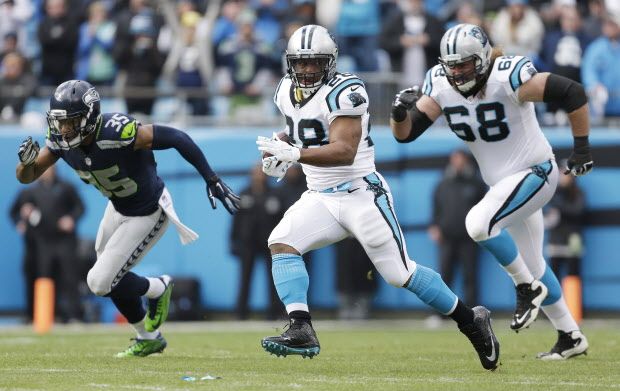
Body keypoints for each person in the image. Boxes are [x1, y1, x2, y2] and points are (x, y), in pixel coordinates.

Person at [256, 24, 499, 371]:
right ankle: (301, 327)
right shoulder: (284, 90)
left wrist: (293, 153)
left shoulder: (347, 90)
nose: (307, 69)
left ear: (331, 62)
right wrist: (278, 147)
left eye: (315, 62)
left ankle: (470, 320)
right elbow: (298, 130)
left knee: (400, 274)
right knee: (281, 242)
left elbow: (343, 150)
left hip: (360, 193)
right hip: (319, 195)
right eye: (301, 62)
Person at [390, 23, 592, 360]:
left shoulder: (507, 77)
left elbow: (572, 91)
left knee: (478, 223)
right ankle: (570, 336)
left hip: (536, 172)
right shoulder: (440, 85)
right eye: (451, 65)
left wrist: (582, 150)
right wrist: (398, 113)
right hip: (507, 186)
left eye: (464, 64)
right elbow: (405, 134)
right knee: (534, 263)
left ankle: (526, 287)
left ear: (483, 57)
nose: (456, 71)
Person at [16, 80, 240, 357]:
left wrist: (211, 178)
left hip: (148, 211)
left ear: (89, 117)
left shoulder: (116, 131)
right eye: (59, 122)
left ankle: (158, 287)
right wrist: (26, 164)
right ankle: (148, 337)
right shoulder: (62, 142)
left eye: (70, 122)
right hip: (118, 208)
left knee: (100, 282)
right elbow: (27, 177)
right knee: (110, 279)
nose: (63, 129)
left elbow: (177, 138)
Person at [428, 149, 486, 306]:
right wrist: (434, 226)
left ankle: (474, 312)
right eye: (455, 159)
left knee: (470, 275)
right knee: (445, 276)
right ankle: (441, 313)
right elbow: (436, 207)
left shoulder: (476, 184)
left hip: (469, 238)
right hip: (446, 237)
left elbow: (485, 209)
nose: (457, 162)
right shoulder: (443, 183)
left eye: (460, 159)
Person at [230, 163, 284, 320]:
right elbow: (236, 221)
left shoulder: (274, 194)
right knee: (245, 278)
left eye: (261, 173)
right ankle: (241, 313)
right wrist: (234, 241)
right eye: (255, 173)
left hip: (269, 243)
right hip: (248, 243)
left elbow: (281, 220)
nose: (258, 176)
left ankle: (274, 312)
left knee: (273, 278)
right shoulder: (244, 193)